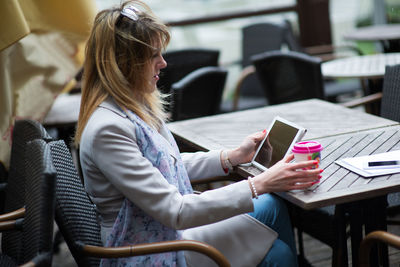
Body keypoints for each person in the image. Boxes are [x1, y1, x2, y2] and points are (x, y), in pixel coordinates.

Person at [75, 1, 322, 266]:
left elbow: (166, 168)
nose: (163, 63)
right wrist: (259, 183)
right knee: (275, 233)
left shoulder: (127, 109)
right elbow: (176, 211)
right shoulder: (108, 130)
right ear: (125, 65)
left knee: (274, 224)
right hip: (147, 249)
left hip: (160, 231)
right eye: (153, 56)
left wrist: (232, 156)